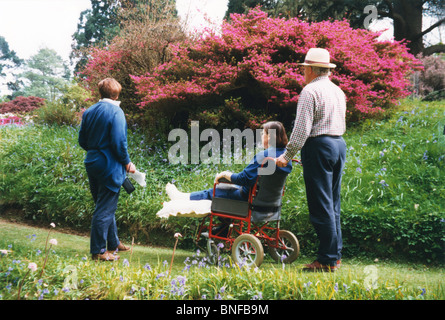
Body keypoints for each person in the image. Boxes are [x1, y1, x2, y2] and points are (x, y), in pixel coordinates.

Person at [276, 48, 347, 272]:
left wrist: (286, 156)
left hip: (319, 147)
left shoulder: (310, 91)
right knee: (333, 204)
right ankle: (335, 257)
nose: (303, 73)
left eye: (304, 69)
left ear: (311, 69)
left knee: (320, 206)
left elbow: (301, 130)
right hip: (339, 145)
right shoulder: (338, 91)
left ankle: (326, 260)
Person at [166, 121, 293, 235]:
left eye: (262, 134)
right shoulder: (286, 159)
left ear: (269, 136)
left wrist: (225, 174)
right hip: (272, 204)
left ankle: (182, 197)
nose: (261, 137)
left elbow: (243, 178)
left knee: (216, 190)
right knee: (227, 189)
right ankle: (223, 230)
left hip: (249, 199)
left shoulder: (265, 156)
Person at [78, 78, 135, 262]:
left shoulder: (90, 111)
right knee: (104, 208)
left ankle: (114, 242)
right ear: (117, 94)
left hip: (92, 161)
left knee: (103, 204)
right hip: (109, 164)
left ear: (100, 92)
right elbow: (119, 142)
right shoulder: (116, 111)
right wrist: (127, 162)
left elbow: (82, 141)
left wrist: (96, 151)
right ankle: (99, 251)